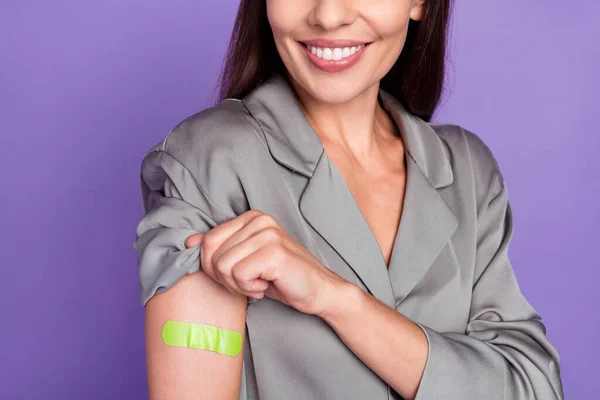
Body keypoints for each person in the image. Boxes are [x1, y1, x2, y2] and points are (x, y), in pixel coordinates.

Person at [133, 0, 564, 399]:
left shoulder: (467, 170)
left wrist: (335, 299)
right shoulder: (209, 164)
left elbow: (533, 388)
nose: (329, 15)